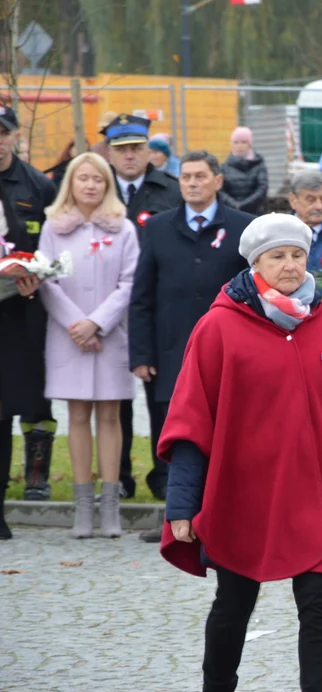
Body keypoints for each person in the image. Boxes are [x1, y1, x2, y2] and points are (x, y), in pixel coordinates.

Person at [159, 213, 322, 692]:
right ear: (255, 262)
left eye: (297, 255)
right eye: (277, 256)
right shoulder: (218, 328)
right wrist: (182, 505)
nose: (289, 266)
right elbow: (191, 420)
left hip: (318, 496)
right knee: (234, 602)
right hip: (247, 498)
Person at [128, 151, 255, 543]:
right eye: (185, 177)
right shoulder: (159, 228)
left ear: (218, 180)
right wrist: (142, 355)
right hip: (170, 355)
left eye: (200, 176)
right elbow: (142, 296)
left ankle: (227, 513)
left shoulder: (244, 228)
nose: (192, 183)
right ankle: (174, 519)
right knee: (172, 432)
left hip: (230, 355)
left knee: (228, 433)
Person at [36, 152, 139, 538]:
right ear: (71, 184)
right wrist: (77, 324)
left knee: (110, 416)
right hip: (69, 336)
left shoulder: (123, 228)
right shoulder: (54, 226)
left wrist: (97, 322)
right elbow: (46, 279)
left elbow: (129, 283)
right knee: (77, 416)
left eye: (98, 179)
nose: (91, 185)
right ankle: (82, 508)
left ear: (107, 184)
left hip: (110, 335)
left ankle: (110, 505)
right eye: (83, 179)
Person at [103, 113, 184, 500]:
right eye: (121, 149)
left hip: (156, 308)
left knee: (161, 396)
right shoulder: (95, 187)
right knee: (111, 398)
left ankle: (164, 473)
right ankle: (117, 476)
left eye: (136, 148)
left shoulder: (170, 189)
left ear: (148, 149)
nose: (130, 156)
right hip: (106, 308)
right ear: (109, 152)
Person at [0, 103, 58, 529]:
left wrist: (40, 274)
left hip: (19, 312)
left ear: (16, 136)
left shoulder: (37, 185)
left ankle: (13, 493)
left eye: (3, 132)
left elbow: (54, 245)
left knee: (16, 403)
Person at [220, 127, 268, 216]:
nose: (239, 145)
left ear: (249, 144)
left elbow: (262, 188)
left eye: (243, 142)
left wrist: (244, 205)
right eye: (236, 142)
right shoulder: (224, 167)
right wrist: (234, 204)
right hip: (231, 213)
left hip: (255, 213)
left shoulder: (259, 165)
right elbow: (220, 189)